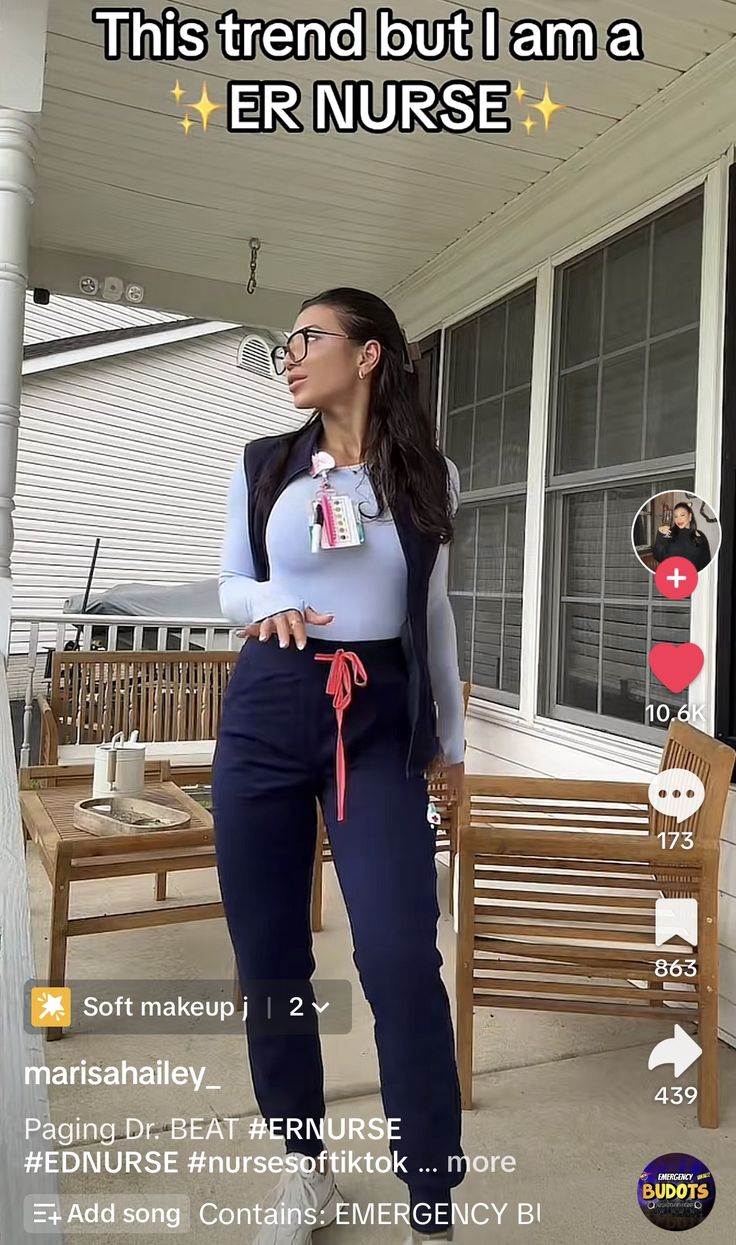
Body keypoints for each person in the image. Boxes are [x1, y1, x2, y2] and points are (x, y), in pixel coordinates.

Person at [211, 286, 467, 1245]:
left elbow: (434, 615)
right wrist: (264, 602)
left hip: (382, 718)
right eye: (287, 341)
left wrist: (450, 746)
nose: (290, 353)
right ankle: (304, 1167)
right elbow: (232, 578)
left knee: (401, 955)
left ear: (367, 355)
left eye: (308, 337)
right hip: (274, 705)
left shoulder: (431, 475)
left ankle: (430, 1199)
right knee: (270, 951)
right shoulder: (264, 463)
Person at [652, 501, 712, 571]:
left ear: (690, 516)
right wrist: (659, 535)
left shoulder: (700, 535)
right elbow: (658, 557)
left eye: (682, 515)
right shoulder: (669, 533)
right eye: (675, 516)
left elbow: (706, 561)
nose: (679, 519)